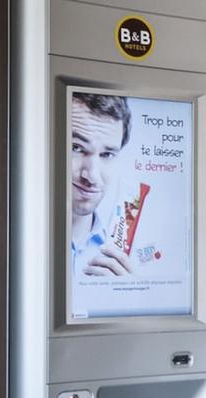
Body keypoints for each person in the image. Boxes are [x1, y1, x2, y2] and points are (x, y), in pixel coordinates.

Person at [70, 92, 134, 277]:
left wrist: (132, 300)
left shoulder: (125, 261)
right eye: (76, 147)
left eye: (107, 155)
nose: (91, 175)